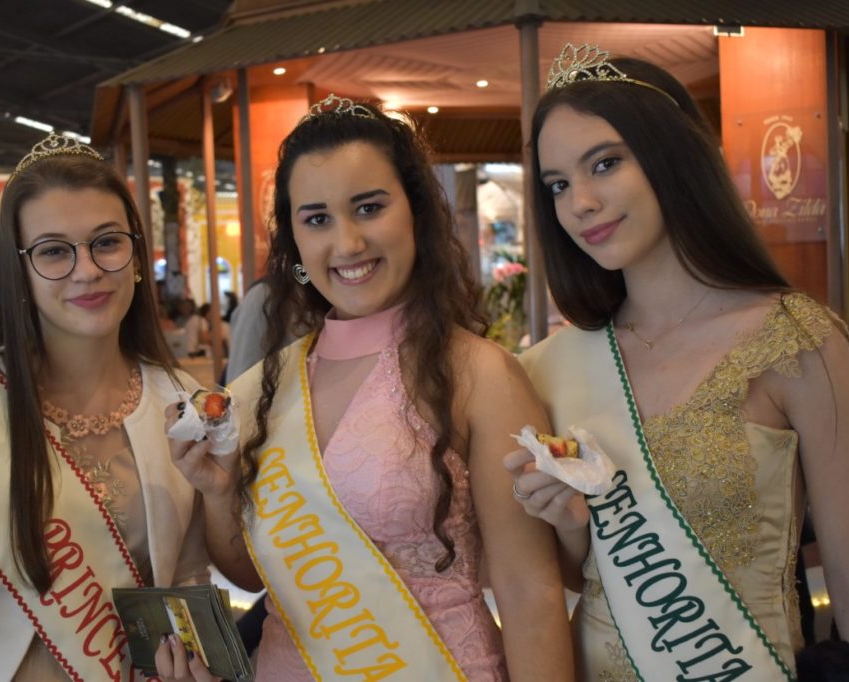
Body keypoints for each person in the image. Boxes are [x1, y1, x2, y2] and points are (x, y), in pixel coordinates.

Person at [157, 94, 574, 682]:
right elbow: (253, 576)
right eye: (317, 219)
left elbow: (531, 593)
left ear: (416, 213)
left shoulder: (481, 375)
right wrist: (219, 493)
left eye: (369, 208)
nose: (348, 243)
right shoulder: (262, 388)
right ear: (295, 241)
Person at [507, 43, 849, 680]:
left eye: (605, 163)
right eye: (558, 185)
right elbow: (574, 577)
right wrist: (568, 523)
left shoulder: (795, 340)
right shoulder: (547, 368)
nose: (580, 202)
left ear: (672, 155)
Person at [0, 132, 215, 681]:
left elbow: (187, 576)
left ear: (136, 256)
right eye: (53, 250)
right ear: (20, 271)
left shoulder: (182, 403)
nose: (87, 270)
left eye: (107, 242)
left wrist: (197, 660)